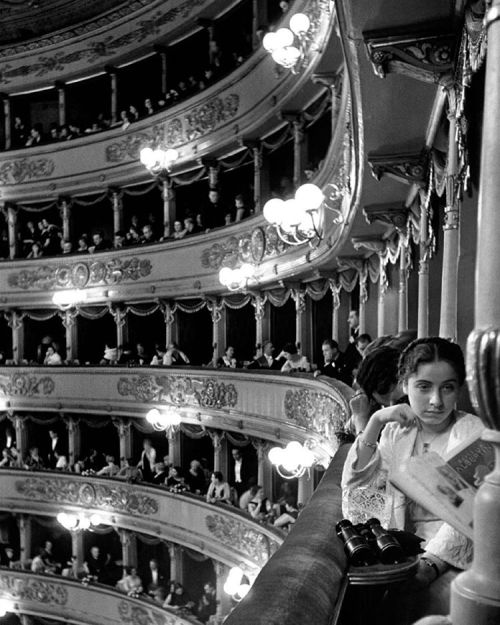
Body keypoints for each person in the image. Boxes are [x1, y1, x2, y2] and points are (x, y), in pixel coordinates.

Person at [341, 337, 484, 621]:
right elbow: (361, 503)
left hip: (457, 557)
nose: (436, 401)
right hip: (402, 556)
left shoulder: (472, 432)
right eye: (424, 387)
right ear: (404, 385)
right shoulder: (396, 432)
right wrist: (375, 422)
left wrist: (432, 563)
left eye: (448, 388)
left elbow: (475, 513)